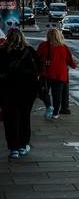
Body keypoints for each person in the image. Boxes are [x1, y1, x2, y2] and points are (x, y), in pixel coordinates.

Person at [0, 29, 42, 159]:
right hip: (27, 90)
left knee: (10, 119)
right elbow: (40, 67)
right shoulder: (29, 51)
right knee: (24, 117)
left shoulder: (2, 51)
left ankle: (13, 148)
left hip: (7, 90)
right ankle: (23, 145)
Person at [37, 28, 76, 119]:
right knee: (57, 95)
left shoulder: (43, 45)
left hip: (46, 73)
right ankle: (55, 114)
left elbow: (37, 58)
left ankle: (49, 106)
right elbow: (71, 62)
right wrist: (73, 65)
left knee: (43, 92)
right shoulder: (64, 47)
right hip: (60, 74)